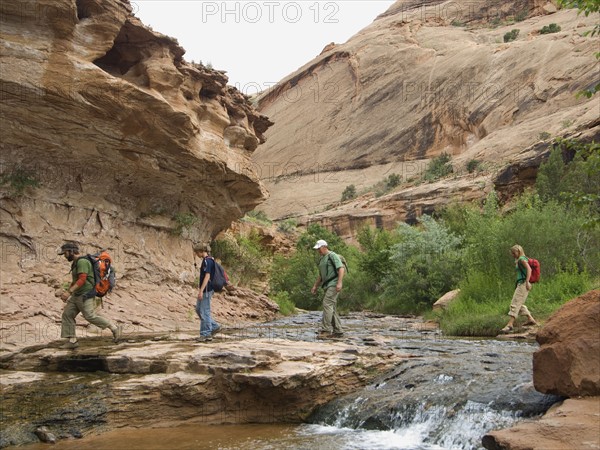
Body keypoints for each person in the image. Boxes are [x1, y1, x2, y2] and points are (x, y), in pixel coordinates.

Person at [58, 242, 121, 349]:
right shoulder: (75, 262)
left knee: (90, 316)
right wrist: (68, 291)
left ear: (71, 251)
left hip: (85, 294)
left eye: (65, 253)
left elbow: (82, 279)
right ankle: (72, 341)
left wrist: (69, 292)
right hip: (77, 294)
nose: (64, 256)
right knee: (67, 314)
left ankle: (114, 328)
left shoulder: (82, 262)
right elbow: (76, 280)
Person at [501, 244, 539, 333]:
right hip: (520, 284)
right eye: (512, 254)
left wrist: (527, 282)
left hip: (523, 284)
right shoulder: (519, 259)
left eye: (514, 253)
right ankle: (530, 319)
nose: (513, 255)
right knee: (519, 303)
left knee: (515, 303)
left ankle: (510, 324)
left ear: (518, 252)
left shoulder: (522, 259)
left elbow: (529, 269)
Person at [311, 239, 345, 338]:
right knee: (331, 307)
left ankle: (325, 330)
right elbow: (320, 276)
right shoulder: (322, 259)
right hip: (327, 285)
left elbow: (341, 268)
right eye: (317, 249)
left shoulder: (332, 255)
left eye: (319, 248)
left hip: (334, 284)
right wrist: (315, 286)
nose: (318, 251)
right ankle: (338, 331)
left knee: (327, 303)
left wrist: (339, 283)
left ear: (325, 247)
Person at [193, 242, 221, 342]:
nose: (196, 254)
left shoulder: (207, 261)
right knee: (198, 309)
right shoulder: (207, 260)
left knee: (204, 311)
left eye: (196, 252)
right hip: (205, 289)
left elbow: (207, 276)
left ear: (201, 251)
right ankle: (214, 326)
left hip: (206, 289)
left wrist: (201, 290)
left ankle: (206, 334)